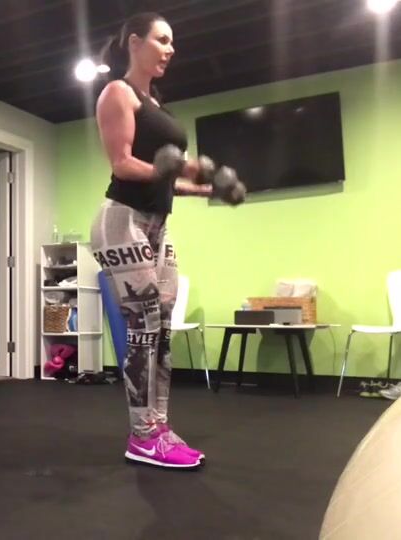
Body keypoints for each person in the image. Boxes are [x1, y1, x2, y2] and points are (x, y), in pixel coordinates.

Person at [92, 12, 237, 469]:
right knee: (143, 323)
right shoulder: (117, 93)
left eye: (172, 42)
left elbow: (167, 177)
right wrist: (169, 168)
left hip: (158, 223)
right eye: (162, 39)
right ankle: (141, 436)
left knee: (163, 326)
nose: (170, 49)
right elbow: (121, 163)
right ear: (135, 43)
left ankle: (158, 426)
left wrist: (208, 188)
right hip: (123, 220)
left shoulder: (158, 105)